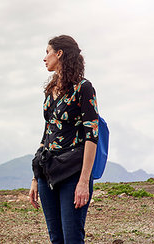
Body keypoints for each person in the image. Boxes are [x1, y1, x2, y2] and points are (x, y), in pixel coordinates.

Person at [29, 35, 99, 243]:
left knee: (72, 238)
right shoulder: (50, 90)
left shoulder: (84, 88)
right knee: (56, 238)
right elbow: (47, 132)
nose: (44, 58)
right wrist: (35, 176)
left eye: (47, 52)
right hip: (47, 171)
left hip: (73, 173)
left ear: (59, 54)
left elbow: (92, 135)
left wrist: (84, 181)